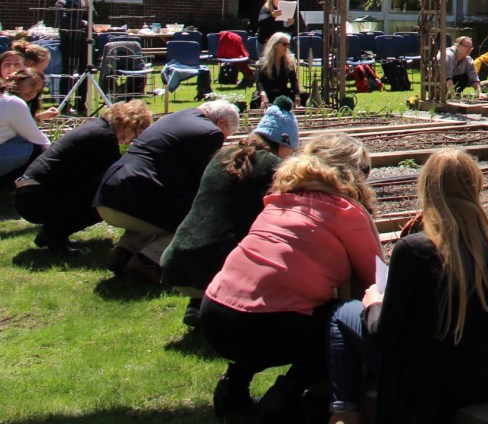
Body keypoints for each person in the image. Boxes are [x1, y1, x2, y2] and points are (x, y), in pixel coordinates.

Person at [201, 133, 381, 423]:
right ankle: (286, 396)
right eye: (365, 169)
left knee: (267, 300)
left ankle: (233, 387)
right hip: (270, 326)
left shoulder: (278, 200)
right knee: (339, 320)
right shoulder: (346, 211)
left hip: (214, 314)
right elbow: (374, 279)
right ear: (352, 171)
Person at [327, 149, 488, 424]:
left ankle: (344, 410)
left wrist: (374, 302)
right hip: (476, 382)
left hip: (420, 389)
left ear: (426, 188)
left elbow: (382, 334)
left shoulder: (413, 250)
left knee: (342, 312)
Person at [162, 98, 300, 328]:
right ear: (282, 141)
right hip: (218, 267)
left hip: (176, 260)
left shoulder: (222, 156)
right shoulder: (273, 167)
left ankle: (197, 303)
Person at [92, 99, 240, 283]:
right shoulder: (210, 133)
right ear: (222, 123)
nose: (222, 139)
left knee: (159, 211)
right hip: (135, 196)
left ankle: (125, 251)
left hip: (111, 192)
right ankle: (148, 261)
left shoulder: (175, 117)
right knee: (195, 220)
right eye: (226, 135)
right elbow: (206, 182)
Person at [14, 99, 154, 253]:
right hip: (35, 197)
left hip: (30, 192)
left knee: (98, 192)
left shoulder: (99, 128)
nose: (128, 142)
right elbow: (117, 177)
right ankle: (53, 234)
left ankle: (54, 232)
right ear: (129, 124)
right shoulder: (104, 137)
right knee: (107, 199)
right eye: (134, 137)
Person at [1, 68, 53, 184]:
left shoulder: (4, 97)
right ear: (19, 80)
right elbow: (40, 140)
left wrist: (38, 117)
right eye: (31, 85)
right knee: (39, 149)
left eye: (37, 91)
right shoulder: (13, 103)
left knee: (21, 141)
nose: (32, 92)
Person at [54, 0, 90, 81]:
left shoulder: (83, 3)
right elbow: (66, 21)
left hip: (83, 42)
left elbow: (93, 17)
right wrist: (84, 23)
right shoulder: (62, 3)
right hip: (69, 42)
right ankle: (65, 96)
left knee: (84, 71)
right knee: (68, 71)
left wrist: (88, 2)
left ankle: (82, 96)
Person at [255, 31, 302, 109]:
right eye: (284, 44)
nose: (287, 47)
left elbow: (294, 82)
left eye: (288, 44)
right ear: (275, 45)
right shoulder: (263, 63)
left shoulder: (289, 63)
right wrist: (263, 95)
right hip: (267, 92)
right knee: (257, 101)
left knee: (300, 96)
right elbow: (260, 83)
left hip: (282, 93)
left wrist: (297, 96)